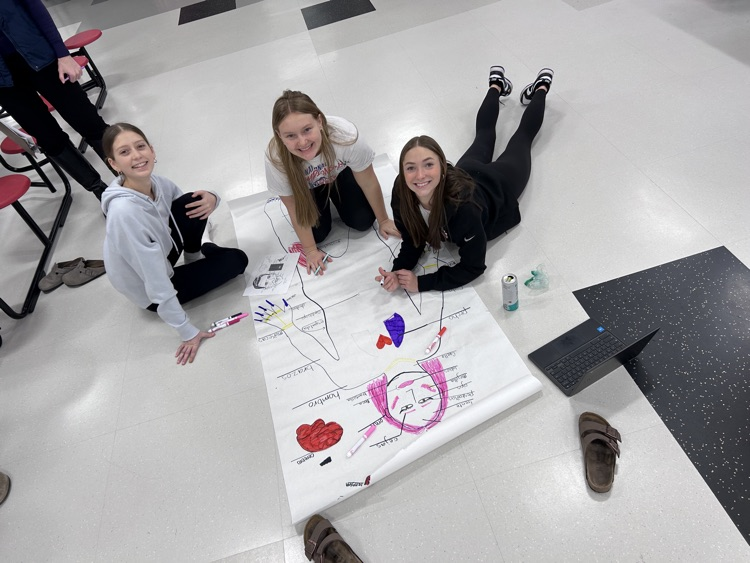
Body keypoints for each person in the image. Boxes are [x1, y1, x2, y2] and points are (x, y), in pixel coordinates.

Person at [377, 66, 553, 293]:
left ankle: (541, 88)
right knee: (484, 134)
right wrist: (398, 270)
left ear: (442, 167)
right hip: (467, 170)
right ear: (402, 171)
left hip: (498, 185)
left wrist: (422, 283)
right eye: (411, 168)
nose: (419, 176)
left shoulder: (464, 208)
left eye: (428, 165)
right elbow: (413, 239)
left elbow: (473, 267)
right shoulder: (402, 192)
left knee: (522, 139)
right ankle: (496, 85)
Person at [101, 123, 249, 364]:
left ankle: (196, 258)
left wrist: (213, 197)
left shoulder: (156, 183)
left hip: (162, 255)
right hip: (147, 288)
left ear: (152, 149)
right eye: (125, 152)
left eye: (140, 147)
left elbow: (187, 210)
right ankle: (204, 252)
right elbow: (155, 281)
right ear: (114, 164)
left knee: (192, 200)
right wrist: (186, 331)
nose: (137, 155)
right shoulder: (124, 213)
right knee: (237, 260)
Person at [265, 90, 400, 276]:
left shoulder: (345, 136)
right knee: (318, 235)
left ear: (319, 121)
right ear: (279, 135)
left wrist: (383, 219)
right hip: (307, 189)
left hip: (340, 175)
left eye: (307, 129)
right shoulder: (276, 159)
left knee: (363, 221)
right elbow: (294, 208)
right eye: (290, 136)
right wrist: (311, 250)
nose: (302, 142)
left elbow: (368, 181)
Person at [0, 0, 110, 199]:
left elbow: (34, 6)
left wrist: (62, 53)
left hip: (42, 57)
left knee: (89, 121)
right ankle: (100, 191)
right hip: (4, 84)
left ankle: (129, 181)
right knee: (49, 139)